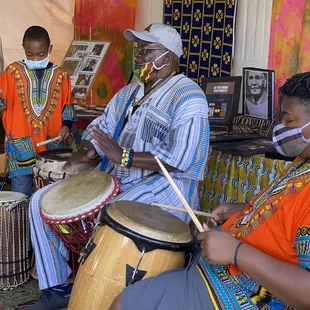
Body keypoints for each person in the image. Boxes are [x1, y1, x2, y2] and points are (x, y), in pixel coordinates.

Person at [26, 23, 210, 309]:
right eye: (137, 49)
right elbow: (102, 129)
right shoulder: (129, 92)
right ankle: (59, 287)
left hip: (165, 190)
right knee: (41, 201)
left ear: (169, 57)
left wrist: (124, 155)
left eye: (147, 50)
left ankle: (97, 289)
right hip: (118, 181)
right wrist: (86, 151)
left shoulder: (189, 96)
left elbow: (181, 158)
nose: (138, 57)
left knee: (110, 216)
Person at [109, 71, 310, 310]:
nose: (280, 128)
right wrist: (241, 210)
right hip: (224, 272)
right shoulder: (303, 161)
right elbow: (286, 218)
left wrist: (236, 253)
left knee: (125, 303)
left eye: (288, 121)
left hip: (246, 294)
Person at [0, 25, 77, 197]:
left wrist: (66, 126)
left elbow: (67, 107)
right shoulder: (11, 73)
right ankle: (23, 225)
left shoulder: (61, 76)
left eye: (40, 54)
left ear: (50, 49)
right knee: (20, 194)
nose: (35, 58)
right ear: (23, 48)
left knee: (47, 197)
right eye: (30, 54)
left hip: (51, 148)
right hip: (20, 148)